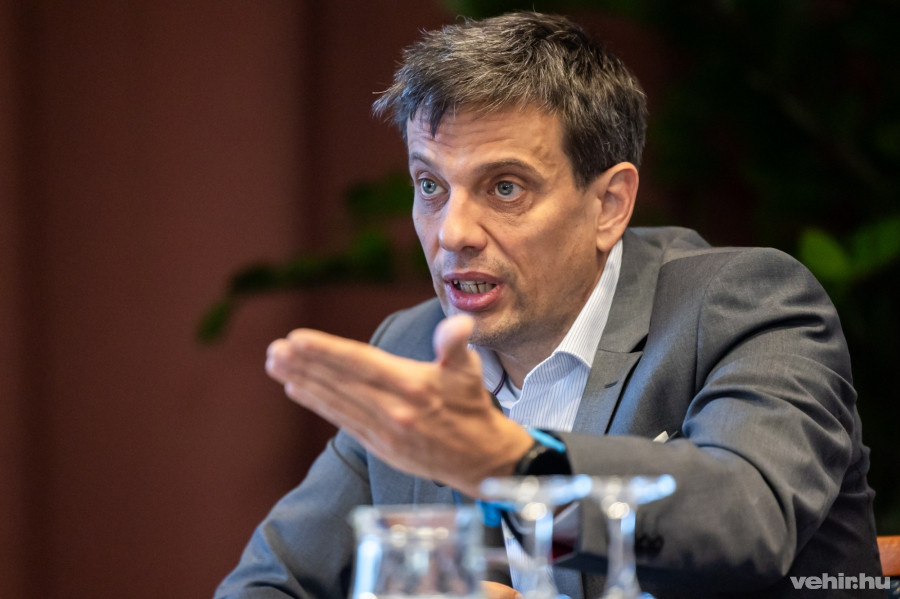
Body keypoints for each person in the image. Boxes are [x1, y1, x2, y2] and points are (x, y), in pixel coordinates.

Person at [215, 11, 882, 599]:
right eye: (431, 185)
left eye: (505, 187)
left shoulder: (742, 305)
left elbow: (748, 522)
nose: (453, 233)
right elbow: (268, 583)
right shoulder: (413, 347)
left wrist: (511, 462)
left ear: (608, 204)